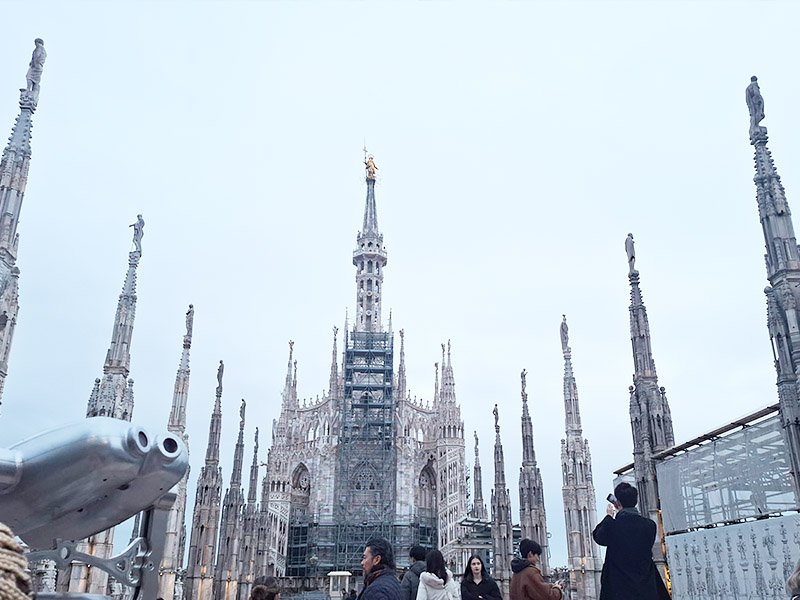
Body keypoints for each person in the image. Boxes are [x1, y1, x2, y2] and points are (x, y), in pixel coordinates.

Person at [592, 482, 668, 600]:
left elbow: (598, 536)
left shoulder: (613, 526)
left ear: (617, 502)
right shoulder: (649, 525)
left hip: (619, 590)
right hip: (646, 588)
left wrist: (609, 516)